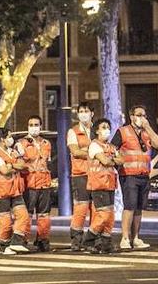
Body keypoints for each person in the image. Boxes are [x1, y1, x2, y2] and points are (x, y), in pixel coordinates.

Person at [110, 105, 158, 250]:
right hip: (129, 175)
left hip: (144, 175)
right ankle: (125, 238)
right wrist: (118, 163)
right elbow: (112, 148)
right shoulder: (123, 131)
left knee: (139, 207)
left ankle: (136, 238)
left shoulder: (146, 133)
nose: (142, 118)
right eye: (139, 115)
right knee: (130, 206)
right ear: (131, 116)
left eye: (144, 115)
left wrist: (148, 128)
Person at [82, 118, 124, 254]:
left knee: (110, 216)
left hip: (110, 185)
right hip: (98, 185)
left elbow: (121, 160)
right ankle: (88, 239)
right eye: (103, 127)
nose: (107, 130)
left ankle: (106, 243)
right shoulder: (94, 145)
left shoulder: (111, 146)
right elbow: (105, 161)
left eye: (108, 127)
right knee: (103, 215)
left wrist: (112, 160)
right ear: (97, 131)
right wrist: (113, 160)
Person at [0, 127, 29, 255]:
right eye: (9, 136)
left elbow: (22, 165)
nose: (11, 139)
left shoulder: (12, 152)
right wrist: (13, 165)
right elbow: (4, 171)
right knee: (5, 222)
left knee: (23, 215)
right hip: (1, 192)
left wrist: (10, 165)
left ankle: (16, 242)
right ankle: (5, 244)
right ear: (2, 139)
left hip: (15, 190)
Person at [17, 115, 52, 252]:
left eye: (36, 124)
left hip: (44, 183)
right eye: (31, 125)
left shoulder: (46, 144)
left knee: (44, 214)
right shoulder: (21, 143)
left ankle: (43, 239)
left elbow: (47, 162)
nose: (33, 127)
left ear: (41, 126)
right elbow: (19, 163)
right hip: (29, 183)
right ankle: (23, 239)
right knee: (27, 214)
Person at [67, 102, 94, 251]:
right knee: (81, 208)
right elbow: (75, 151)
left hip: (96, 174)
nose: (83, 114)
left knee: (96, 209)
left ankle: (92, 239)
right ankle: (76, 240)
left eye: (86, 111)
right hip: (80, 175)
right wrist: (94, 153)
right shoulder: (73, 131)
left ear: (92, 113)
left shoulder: (97, 130)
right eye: (81, 111)